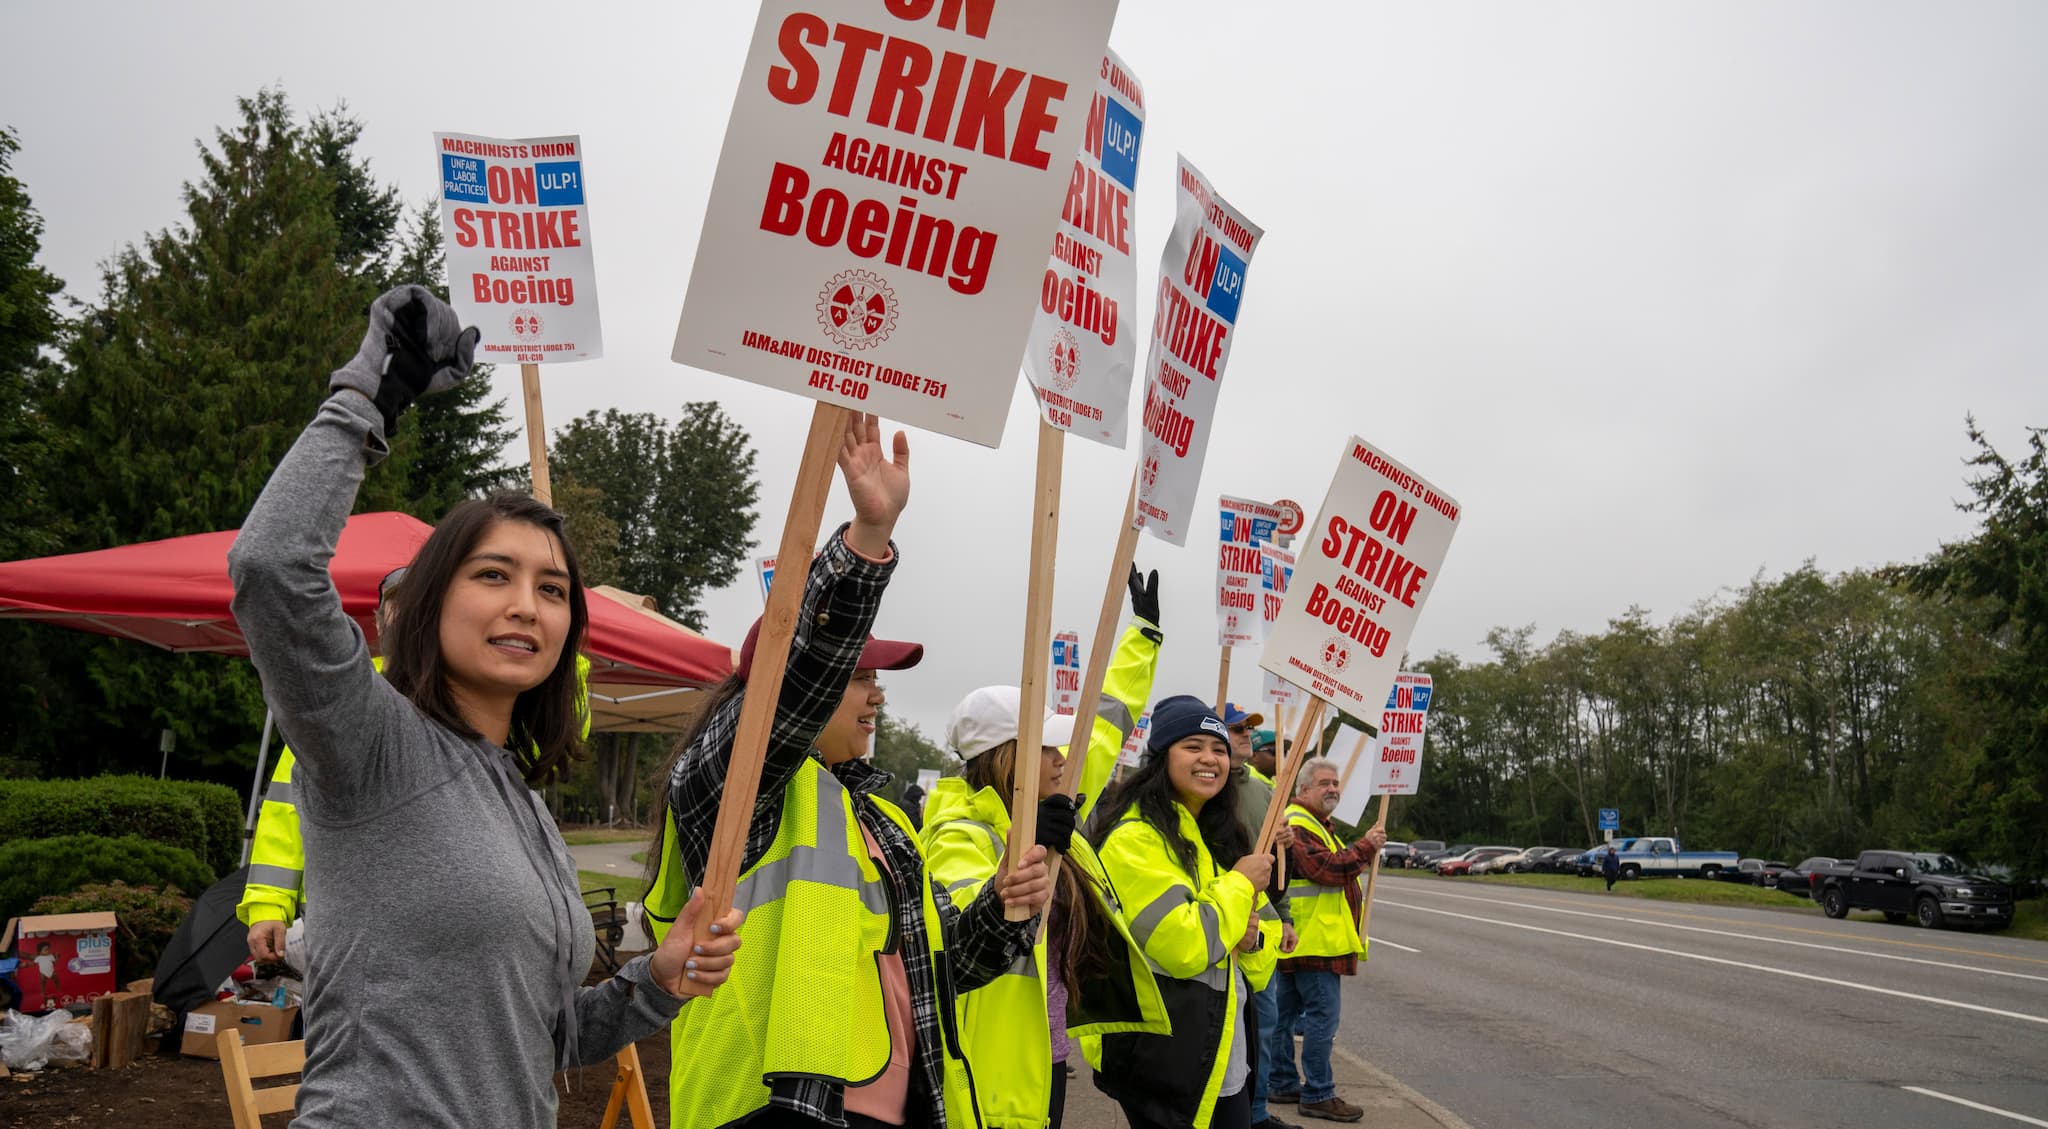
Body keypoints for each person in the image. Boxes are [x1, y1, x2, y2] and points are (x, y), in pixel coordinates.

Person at [229, 286, 742, 1127]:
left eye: (551, 589)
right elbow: (270, 570)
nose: (526, 606)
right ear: (431, 602)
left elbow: (538, 1037)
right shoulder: (373, 744)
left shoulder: (522, 803)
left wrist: (656, 981)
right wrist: (367, 394)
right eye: (493, 575)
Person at [642, 410, 1053, 1129]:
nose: (876, 695)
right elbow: (798, 679)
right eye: (859, 676)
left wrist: (1004, 903)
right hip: (770, 1104)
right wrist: (867, 539)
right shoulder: (740, 783)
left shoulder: (883, 820)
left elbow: (946, 963)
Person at [920, 686, 1167, 1129]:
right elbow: (961, 926)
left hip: (1046, 1051)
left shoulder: (1053, 824)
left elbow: (1107, 727)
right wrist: (1022, 851)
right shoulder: (958, 834)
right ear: (1003, 757)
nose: (1061, 759)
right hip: (990, 1066)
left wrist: (1145, 635)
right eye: (1046, 747)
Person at [1086, 695, 1283, 1129]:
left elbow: (1263, 944)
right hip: (1162, 1056)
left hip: (1219, 1050)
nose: (1209, 759)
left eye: (1218, 749)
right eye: (1192, 747)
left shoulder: (1219, 836)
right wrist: (1240, 885)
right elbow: (1183, 944)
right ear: (1161, 758)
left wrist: (1249, 939)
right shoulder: (1134, 839)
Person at [239, 565, 406, 964]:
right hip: (343, 927)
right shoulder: (337, 698)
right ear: (379, 622)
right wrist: (268, 904)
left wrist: (564, 652)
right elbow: (285, 802)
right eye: (398, 606)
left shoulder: (478, 695)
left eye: (422, 606)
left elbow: (554, 738)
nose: (409, 618)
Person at [1267, 759, 1386, 1123]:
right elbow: (1330, 869)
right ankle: (1318, 1092)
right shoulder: (1300, 823)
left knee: (1283, 1016)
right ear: (1303, 790)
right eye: (1324, 783)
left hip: (1300, 938)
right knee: (1321, 1019)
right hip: (1313, 940)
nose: (1333, 788)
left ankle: (1283, 1081)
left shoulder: (1315, 824)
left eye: (1336, 782)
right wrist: (1366, 846)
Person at [1223, 704, 1298, 1129]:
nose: (1246, 735)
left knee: (1263, 1026)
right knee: (1227, 1029)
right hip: (1221, 923)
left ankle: (1256, 1111)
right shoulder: (1206, 787)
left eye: (1248, 729)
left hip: (1261, 927)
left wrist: (1284, 916)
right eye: (1236, 729)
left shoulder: (1265, 789)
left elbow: (1278, 860)